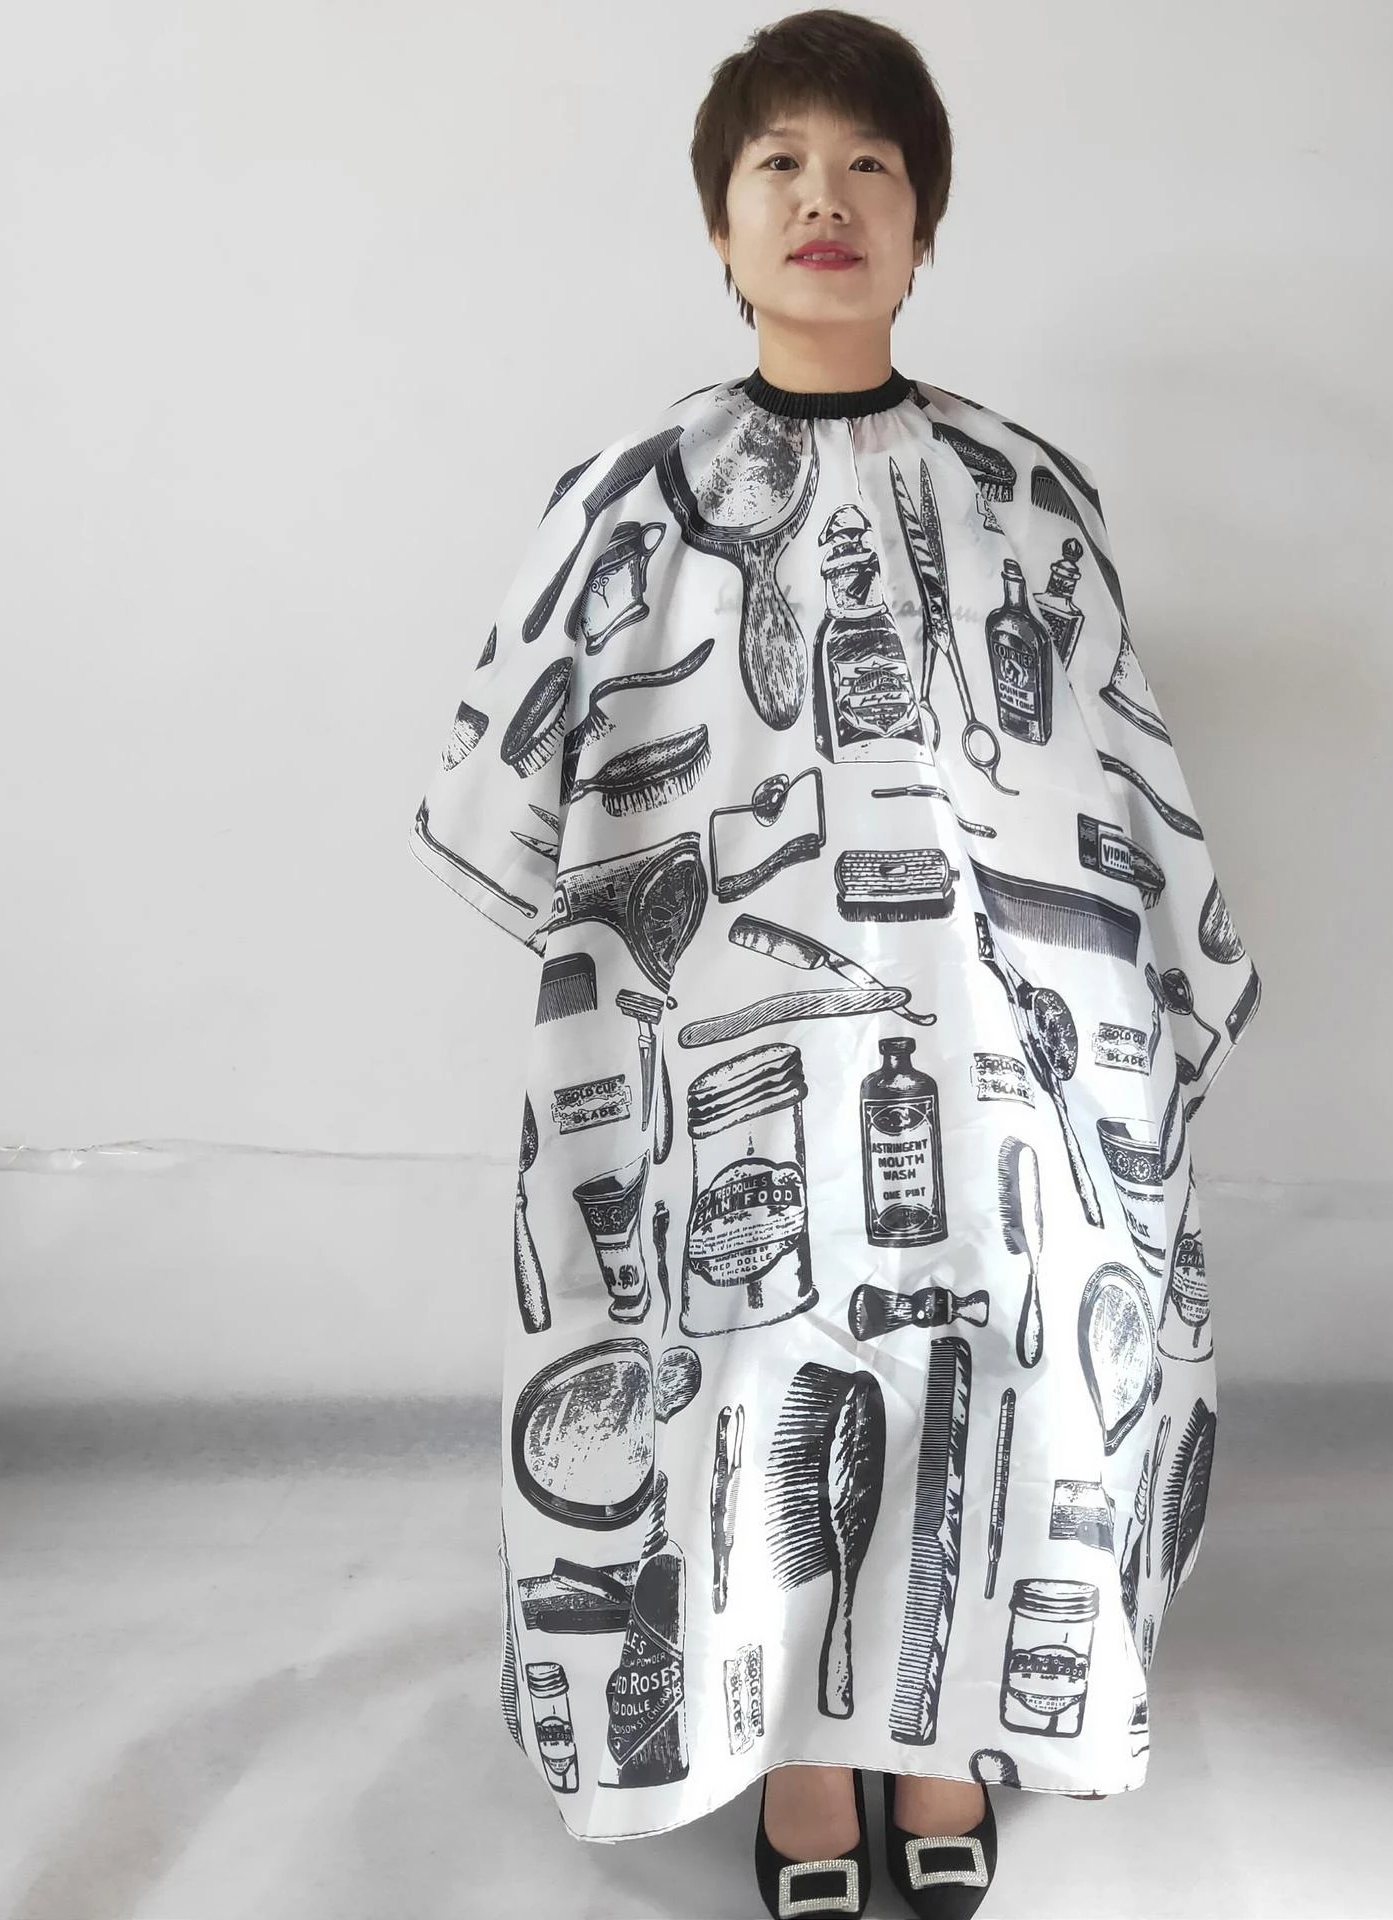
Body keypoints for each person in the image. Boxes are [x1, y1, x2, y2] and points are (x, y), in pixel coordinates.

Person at [406, 11, 1262, 1916]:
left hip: (1003, 1041)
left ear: (923, 225)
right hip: (722, 1045)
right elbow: (520, 820)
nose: (825, 197)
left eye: (871, 164)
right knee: (752, 1382)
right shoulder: (628, 502)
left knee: (1001, 1357)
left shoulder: (1027, 493)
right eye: (779, 162)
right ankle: (799, 1749)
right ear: (720, 223)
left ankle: (946, 1736)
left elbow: (1120, 799)